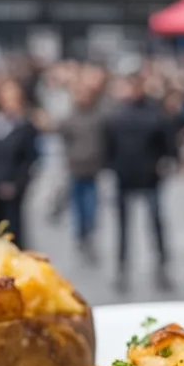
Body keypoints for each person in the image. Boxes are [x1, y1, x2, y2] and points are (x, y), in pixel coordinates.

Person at [104, 75, 173, 292]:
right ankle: (123, 270)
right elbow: (109, 145)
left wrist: (161, 163)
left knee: (155, 225)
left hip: (148, 177)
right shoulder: (117, 115)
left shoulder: (154, 112)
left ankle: (161, 268)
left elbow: (165, 142)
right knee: (124, 228)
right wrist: (113, 166)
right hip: (125, 177)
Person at [0, 80, 39, 246]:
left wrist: (17, 183)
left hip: (14, 186)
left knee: (13, 231)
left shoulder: (26, 127)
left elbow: (30, 159)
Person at [58, 81, 105, 263]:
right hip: (76, 168)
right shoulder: (70, 118)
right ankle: (81, 236)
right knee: (78, 206)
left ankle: (90, 234)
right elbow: (64, 138)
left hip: (92, 168)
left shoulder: (97, 118)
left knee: (91, 205)